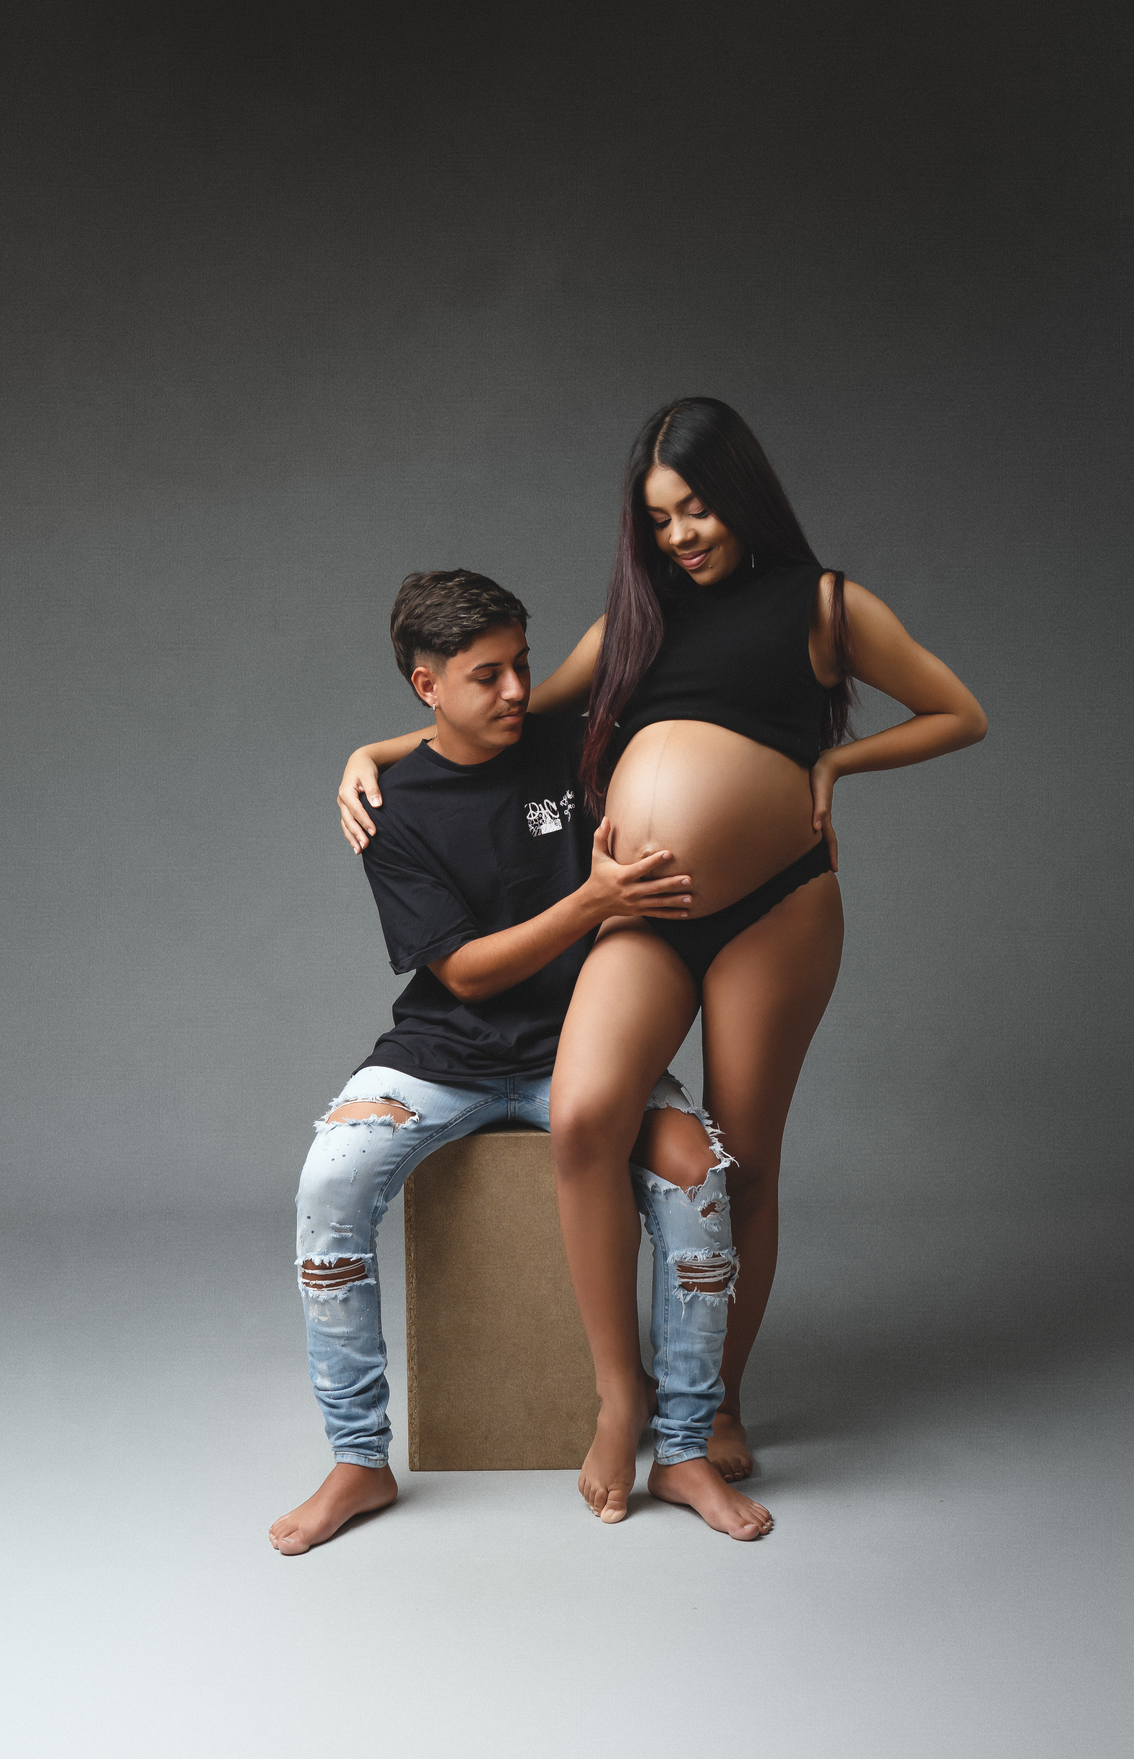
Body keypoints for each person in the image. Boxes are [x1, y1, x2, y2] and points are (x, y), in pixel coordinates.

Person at [338, 397, 987, 1527]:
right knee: (588, 1115)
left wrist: (836, 767)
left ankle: (716, 1402)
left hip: (777, 910)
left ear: (740, 495)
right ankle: (618, 1394)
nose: (681, 535)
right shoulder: (634, 618)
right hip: (643, 910)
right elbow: (518, 713)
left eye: (697, 509)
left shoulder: (826, 606)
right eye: (659, 518)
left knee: (747, 1159)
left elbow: (958, 712)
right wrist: (374, 748)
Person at [271, 567, 773, 1556]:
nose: (517, 692)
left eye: (523, 666)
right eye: (487, 676)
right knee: (329, 1183)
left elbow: (690, 699)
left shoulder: (574, 748)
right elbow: (463, 973)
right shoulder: (392, 807)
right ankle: (359, 1460)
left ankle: (682, 1450)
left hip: (586, 1045)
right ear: (427, 686)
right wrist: (592, 903)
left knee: (698, 1181)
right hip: (442, 1057)